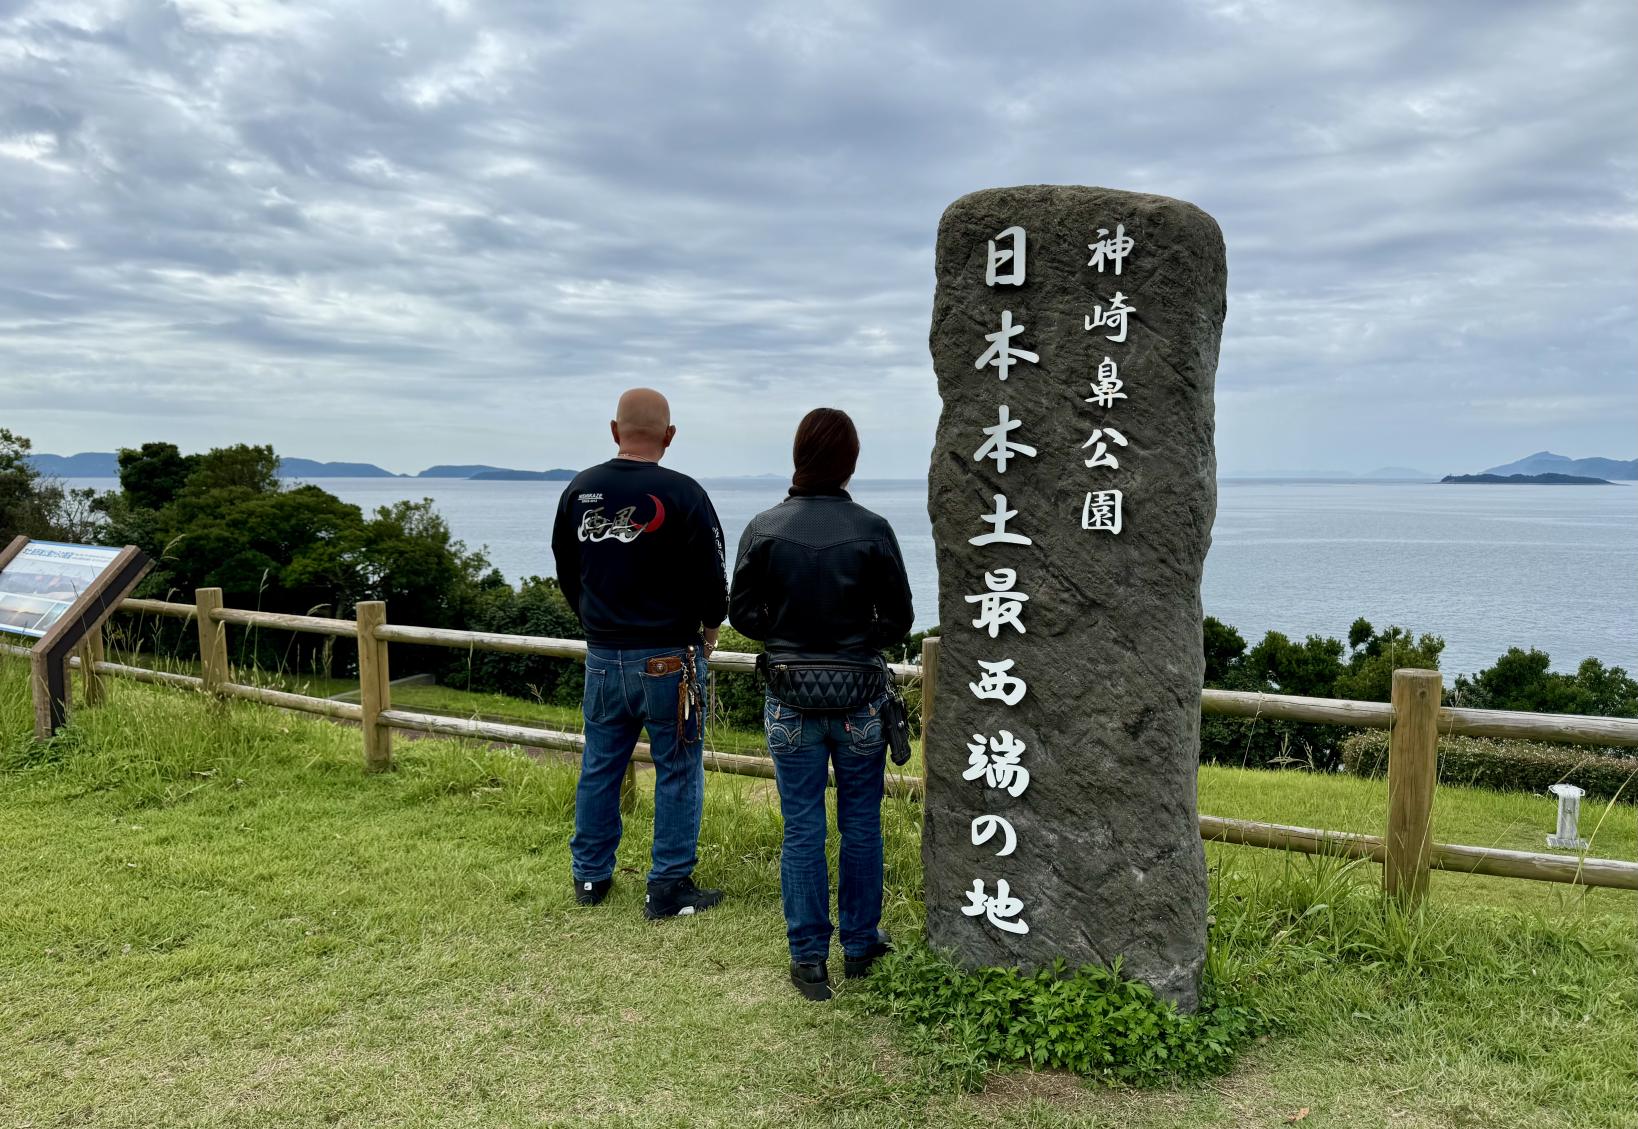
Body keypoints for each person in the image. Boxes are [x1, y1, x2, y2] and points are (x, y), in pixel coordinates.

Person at [729, 408, 914, 1000]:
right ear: (851, 461)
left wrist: (785, 631)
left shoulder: (764, 526)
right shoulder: (872, 529)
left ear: (797, 455)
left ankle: (807, 959)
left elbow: (742, 614)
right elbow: (900, 617)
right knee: (861, 825)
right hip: (859, 696)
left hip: (789, 697)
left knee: (802, 829)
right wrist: (857, 637)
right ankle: (861, 946)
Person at [550, 388, 728, 920]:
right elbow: (713, 577)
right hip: (670, 659)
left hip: (604, 655)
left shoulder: (580, 489)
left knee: (600, 765)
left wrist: (593, 620)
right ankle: (668, 885)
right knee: (677, 767)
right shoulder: (685, 494)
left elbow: (565, 567)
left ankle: (589, 877)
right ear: (669, 437)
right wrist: (712, 626)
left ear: (614, 430)